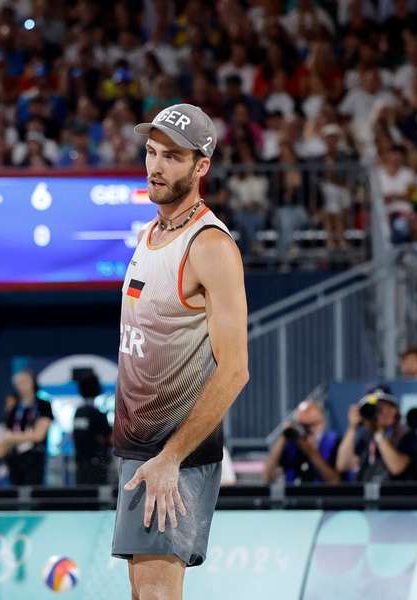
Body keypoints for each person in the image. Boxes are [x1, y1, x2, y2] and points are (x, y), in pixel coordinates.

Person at [112, 104, 249, 600]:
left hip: (174, 454)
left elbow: (235, 370)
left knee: (155, 591)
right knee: (144, 589)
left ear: (201, 166)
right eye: (151, 152)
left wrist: (172, 457)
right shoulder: (152, 233)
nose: (156, 166)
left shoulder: (209, 245)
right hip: (140, 449)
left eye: (172, 156)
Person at [336, 391, 417, 482]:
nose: (376, 414)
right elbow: (342, 465)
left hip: (395, 494)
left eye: (380, 408)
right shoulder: (366, 437)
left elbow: (396, 468)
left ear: (394, 409)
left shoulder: (407, 435)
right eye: (373, 410)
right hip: (366, 493)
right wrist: (352, 428)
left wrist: (378, 433)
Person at [263, 399, 341, 484]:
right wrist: (283, 437)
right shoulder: (292, 445)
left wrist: (311, 453)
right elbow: (267, 477)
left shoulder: (333, 442)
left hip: (322, 495)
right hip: (293, 495)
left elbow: (335, 481)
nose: (306, 431)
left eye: (310, 426)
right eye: (302, 426)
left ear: (322, 423)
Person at [3, 370, 53, 485]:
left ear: (33, 382)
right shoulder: (14, 408)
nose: (22, 385)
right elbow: (6, 436)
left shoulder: (43, 405)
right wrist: (28, 436)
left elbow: (39, 436)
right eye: (19, 382)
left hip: (35, 459)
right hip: (15, 460)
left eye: (25, 381)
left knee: (34, 492)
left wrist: (15, 437)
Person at [72, 372, 112, 485]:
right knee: (95, 497)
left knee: (83, 496)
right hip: (96, 464)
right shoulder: (98, 414)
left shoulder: (78, 412)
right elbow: (107, 438)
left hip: (81, 463)